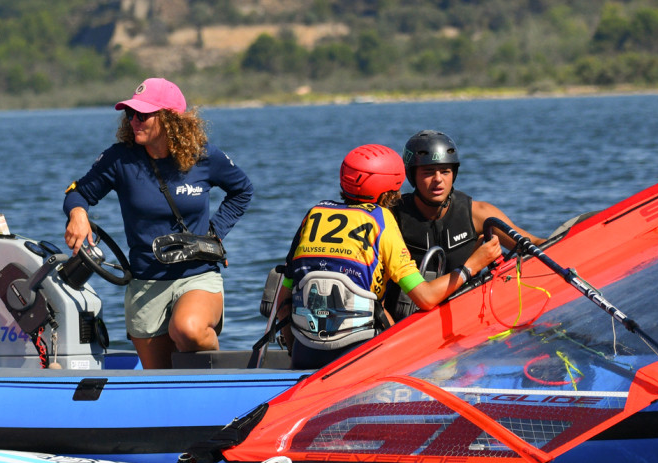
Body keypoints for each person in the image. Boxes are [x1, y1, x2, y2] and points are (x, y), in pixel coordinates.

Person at [63, 77, 254, 370]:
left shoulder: (204, 157)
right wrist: (78, 214)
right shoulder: (119, 160)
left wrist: (215, 234)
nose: (134, 121)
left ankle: (219, 369)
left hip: (197, 275)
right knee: (161, 376)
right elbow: (78, 193)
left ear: (170, 119)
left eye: (143, 115)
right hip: (145, 282)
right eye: (130, 114)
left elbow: (242, 190)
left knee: (188, 329)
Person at [273, 144, 475, 372]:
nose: (399, 193)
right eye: (396, 186)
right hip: (361, 355)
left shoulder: (314, 215)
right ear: (389, 188)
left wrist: (294, 356)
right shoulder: (382, 220)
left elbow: (283, 303)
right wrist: (474, 264)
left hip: (305, 354)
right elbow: (425, 298)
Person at [383, 129, 521, 325]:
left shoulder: (478, 213)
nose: (438, 179)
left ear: (453, 174)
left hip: (466, 322)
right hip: (405, 326)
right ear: (412, 175)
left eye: (445, 171)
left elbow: (533, 244)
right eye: (428, 172)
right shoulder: (390, 218)